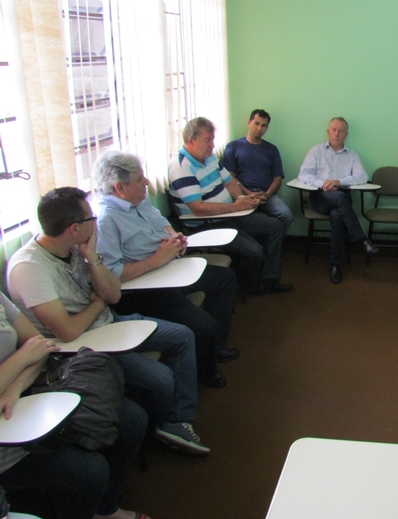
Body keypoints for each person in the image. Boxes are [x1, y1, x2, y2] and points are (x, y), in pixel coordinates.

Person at [6, 187, 209, 455]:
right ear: (74, 228)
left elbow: (113, 295)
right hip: (80, 347)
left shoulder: (77, 248)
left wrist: (92, 258)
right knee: (161, 379)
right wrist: (98, 304)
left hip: (108, 323)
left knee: (182, 336)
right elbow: (67, 332)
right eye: (91, 217)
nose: (96, 221)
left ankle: (176, 419)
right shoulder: (29, 269)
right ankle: (159, 427)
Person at [94, 150, 237, 389]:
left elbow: (161, 221)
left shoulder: (138, 199)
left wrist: (174, 236)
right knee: (204, 326)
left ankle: (216, 347)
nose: (146, 182)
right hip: (143, 289)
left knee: (224, 278)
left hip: (169, 268)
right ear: (119, 188)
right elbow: (113, 276)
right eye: (139, 179)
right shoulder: (105, 220)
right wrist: (159, 259)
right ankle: (207, 371)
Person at [0, 292, 150, 519]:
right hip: (7, 435)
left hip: (26, 392)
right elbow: (30, 350)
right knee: (90, 471)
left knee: (131, 419)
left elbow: (41, 346)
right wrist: (22, 357)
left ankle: (104, 508)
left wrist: (15, 386)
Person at [168, 116, 293, 295]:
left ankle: (268, 279)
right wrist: (237, 207)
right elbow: (198, 208)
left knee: (275, 226)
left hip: (230, 215)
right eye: (207, 140)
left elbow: (229, 181)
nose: (212, 145)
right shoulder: (181, 168)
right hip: (207, 224)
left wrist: (241, 198)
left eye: (213, 140)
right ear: (191, 141)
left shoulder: (209, 158)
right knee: (254, 250)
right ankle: (250, 287)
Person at [298, 117, 378, 284]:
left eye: (341, 131)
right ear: (328, 132)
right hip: (320, 196)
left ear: (346, 134)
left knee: (338, 214)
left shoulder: (352, 155)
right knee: (341, 199)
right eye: (334, 130)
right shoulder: (316, 151)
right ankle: (361, 239)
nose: (337, 133)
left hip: (341, 199)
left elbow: (362, 176)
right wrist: (324, 184)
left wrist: (338, 182)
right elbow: (304, 174)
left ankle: (336, 265)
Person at [222, 109, 294, 251]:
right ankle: (257, 249)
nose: (260, 128)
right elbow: (229, 176)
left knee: (286, 215)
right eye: (256, 123)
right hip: (242, 195)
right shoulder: (233, 146)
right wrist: (247, 193)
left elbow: (277, 178)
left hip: (267, 195)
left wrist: (267, 194)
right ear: (249, 123)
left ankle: (268, 250)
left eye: (264, 125)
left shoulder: (271, 149)